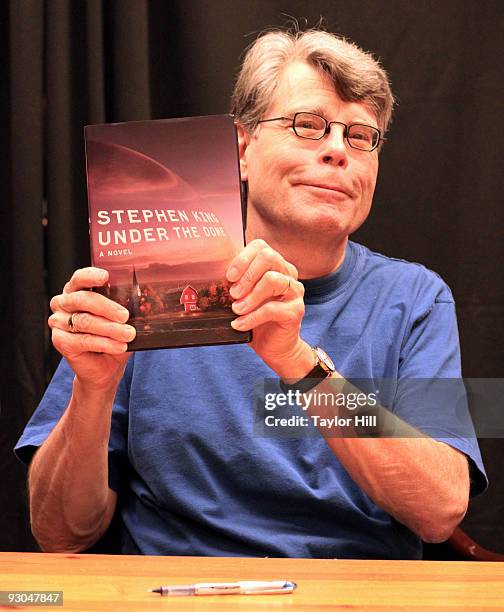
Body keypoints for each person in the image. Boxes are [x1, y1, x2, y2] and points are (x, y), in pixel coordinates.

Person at [16, 28, 486, 559]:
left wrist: (299, 363)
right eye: (308, 125)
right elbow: (59, 533)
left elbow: (441, 510)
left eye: (360, 136)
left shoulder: (415, 299)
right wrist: (94, 390)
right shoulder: (143, 291)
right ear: (241, 148)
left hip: (352, 594)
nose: (337, 151)